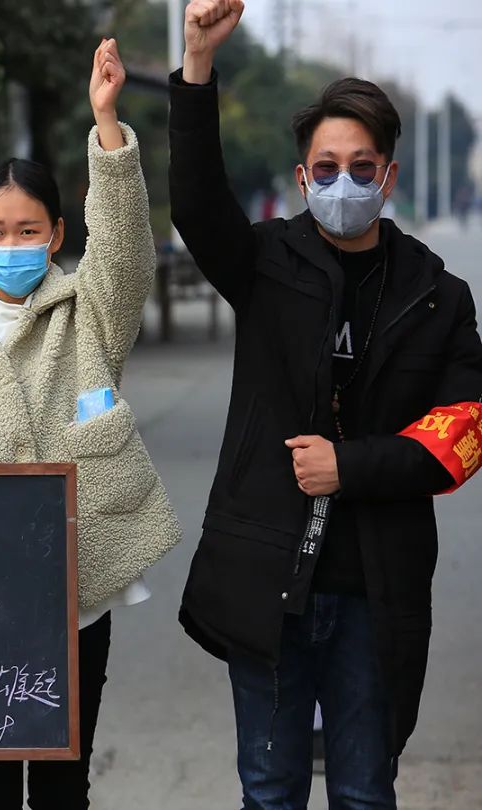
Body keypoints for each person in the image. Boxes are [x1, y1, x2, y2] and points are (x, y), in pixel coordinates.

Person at [171, 2, 482, 808]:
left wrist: (350, 465)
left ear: (390, 176)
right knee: (269, 792)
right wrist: (197, 64)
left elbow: (461, 439)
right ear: (303, 177)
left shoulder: (440, 298)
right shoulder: (266, 263)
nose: (346, 182)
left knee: (364, 793)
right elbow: (199, 205)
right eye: (328, 166)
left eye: (364, 166)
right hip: (268, 584)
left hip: (376, 593)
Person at [0, 39, 182, 809]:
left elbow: (123, 253)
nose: (9, 245)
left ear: (55, 235)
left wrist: (107, 125)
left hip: (77, 586)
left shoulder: (92, 311)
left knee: (61, 779)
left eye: (26, 231)